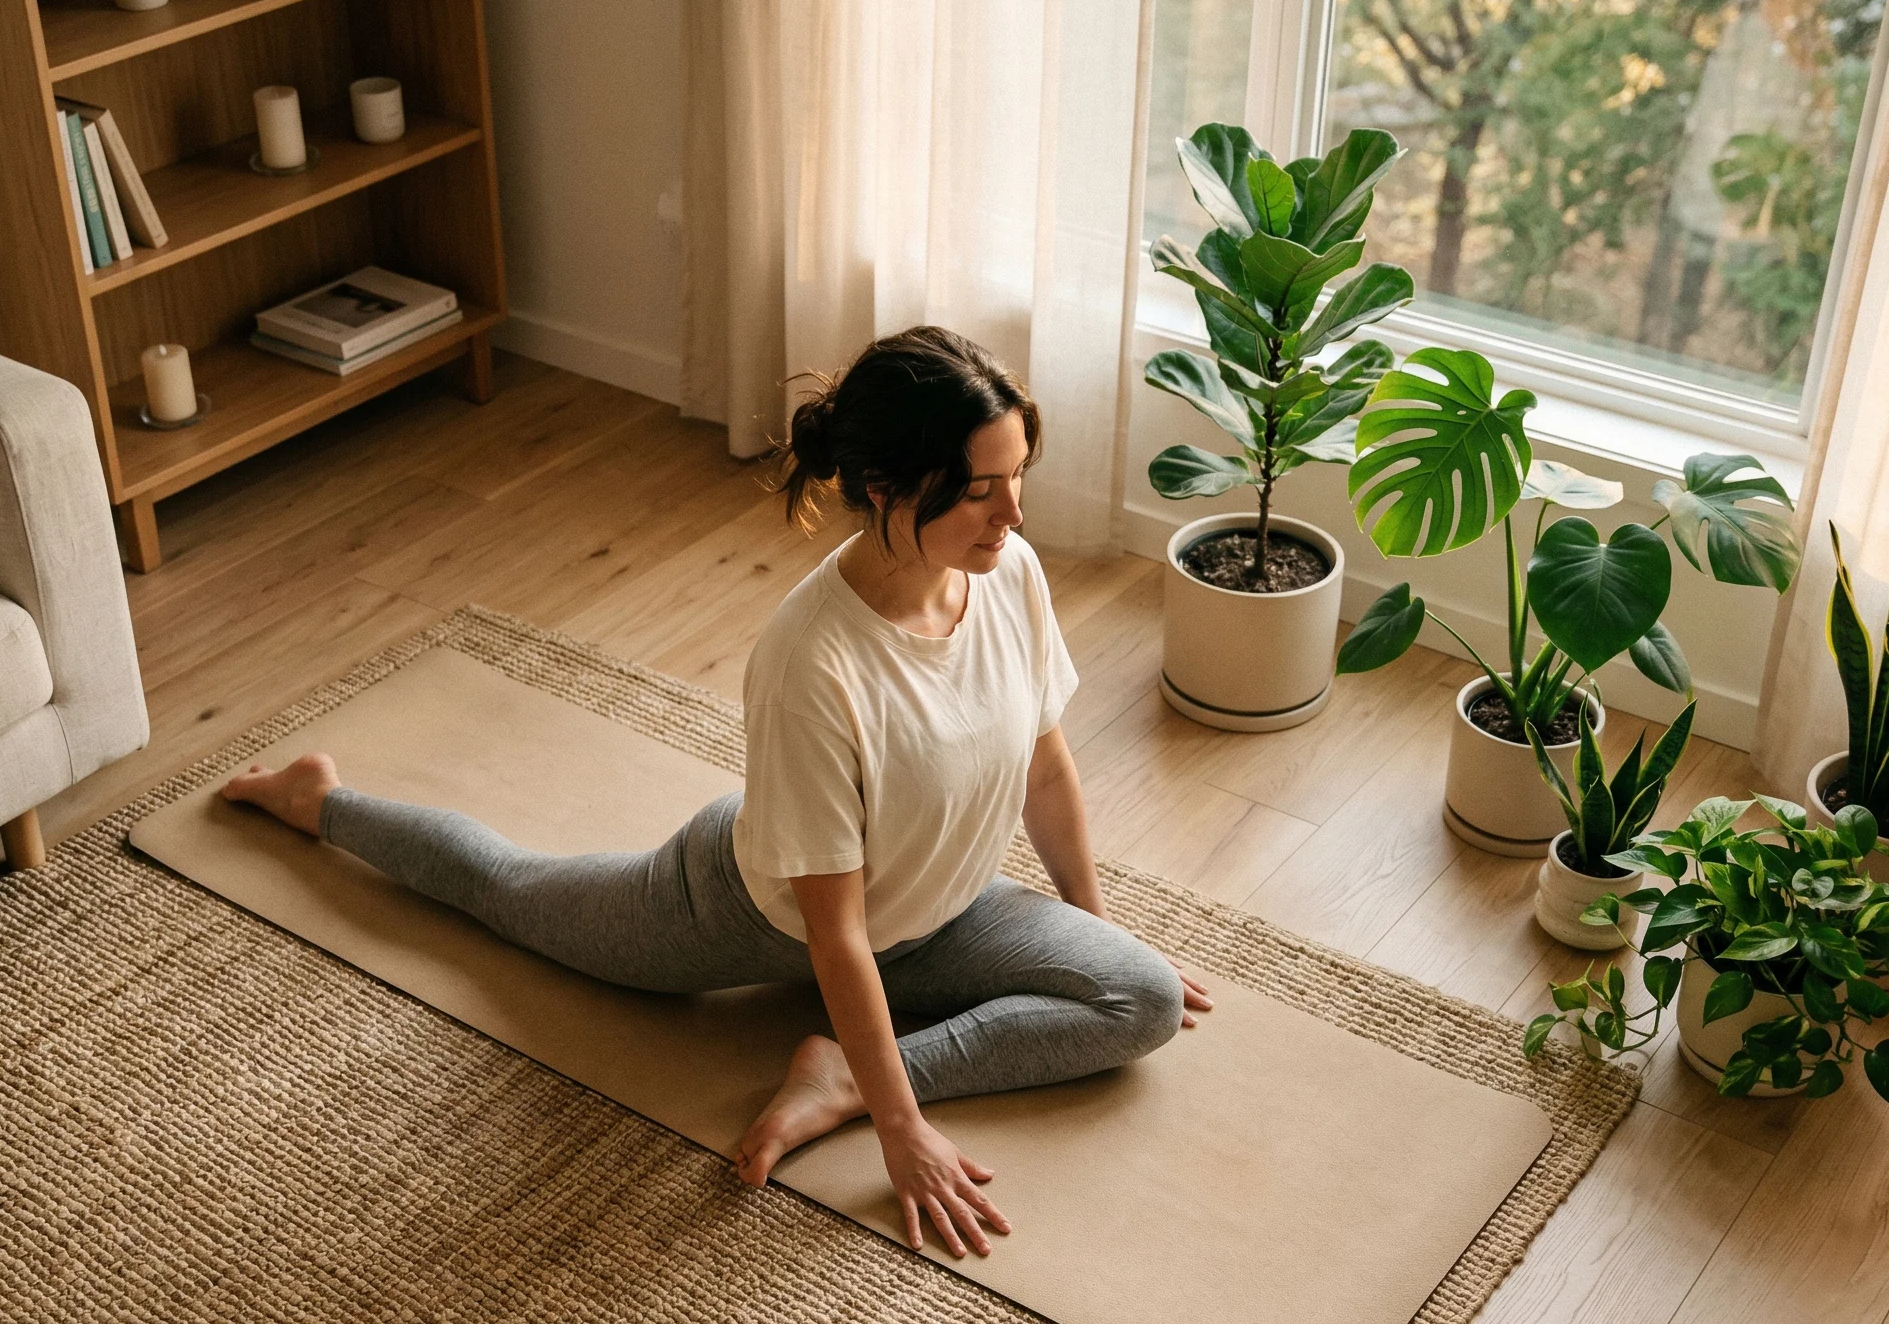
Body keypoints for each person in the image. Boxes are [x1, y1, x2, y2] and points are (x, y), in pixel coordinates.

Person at [220, 325, 1209, 1259]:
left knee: (1140, 999)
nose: (1013, 515)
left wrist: (1098, 928)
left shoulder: (1007, 570)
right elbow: (832, 935)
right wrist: (902, 1130)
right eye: (980, 491)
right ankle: (319, 801)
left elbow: (1042, 767)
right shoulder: (812, 661)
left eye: (1017, 480)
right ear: (883, 487)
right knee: (510, 891)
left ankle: (840, 1076)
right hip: (757, 908)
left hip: (938, 907)